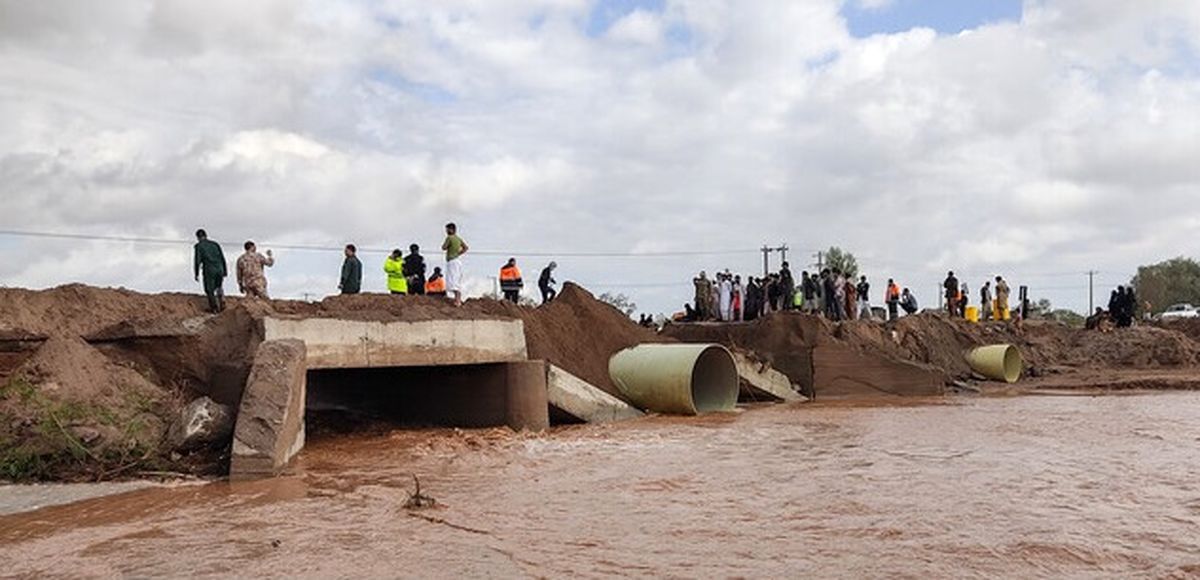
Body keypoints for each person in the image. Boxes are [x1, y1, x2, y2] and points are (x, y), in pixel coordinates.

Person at [193, 229, 227, 313]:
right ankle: (222, 300)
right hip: (220, 268)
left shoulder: (199, 246)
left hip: (209, 269)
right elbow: (222, 258)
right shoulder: (215, 244)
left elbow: (197, 261)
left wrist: (196, 273)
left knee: (209, 289)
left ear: (198, 237)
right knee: (219, 286)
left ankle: (214, 308)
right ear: (206, 235)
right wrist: (225, 270)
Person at [442, 223, 469, 306]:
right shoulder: (458, 238)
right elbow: (466, 248)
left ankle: (457, 300)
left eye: (447, 229)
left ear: (452, 229)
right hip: (457, 260)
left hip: (452, 261)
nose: (446, 231)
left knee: (452, 281)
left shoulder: (449, 238)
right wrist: (458, 253)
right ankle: (457, 299)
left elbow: (443, 247)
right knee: (455, 280)